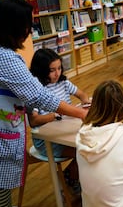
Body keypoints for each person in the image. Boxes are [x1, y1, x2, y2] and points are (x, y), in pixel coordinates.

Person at [0, 0, 87, 207]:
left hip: (3, 126)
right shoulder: (4, 57)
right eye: (27, 24)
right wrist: (81, 114)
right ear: (13, 26)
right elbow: (39, 96)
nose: (30, 30)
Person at [27, 48, 90, 191]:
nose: (57, 73)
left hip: (64, 131)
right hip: (46, 140)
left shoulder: (63, 82)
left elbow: (82, 94)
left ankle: (69, 177)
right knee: (84, 153)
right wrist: (53, 116)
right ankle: (69, 180)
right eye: (52, 70)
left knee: (89, 149)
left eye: (59, 68)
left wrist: (86, 102)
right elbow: (34, 121)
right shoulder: (36, 89)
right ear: (41, 70)